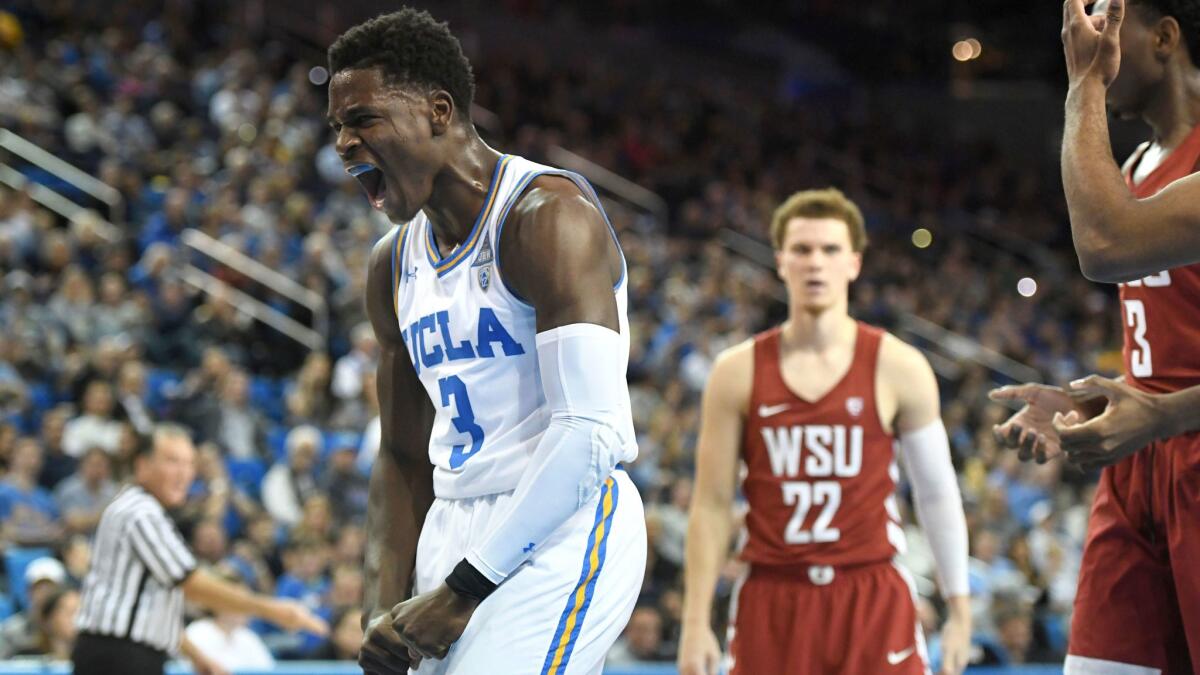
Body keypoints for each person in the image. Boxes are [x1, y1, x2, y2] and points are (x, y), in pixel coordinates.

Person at [327, 8, 646, 674]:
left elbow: (590, 429)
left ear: (439, 111)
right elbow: (402, 454)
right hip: (451, 523)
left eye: (363, 120)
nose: (343, 144)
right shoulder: (391, 264)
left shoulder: (546, 216)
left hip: (564, 520)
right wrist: (381, 608)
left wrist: (466, 587)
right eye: (336, 127)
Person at [677, 189, 971, 675]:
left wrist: (959, 607)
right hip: (772, 594)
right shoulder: (736, 372)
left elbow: (937, 494)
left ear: (854, 263)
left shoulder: (900, 366)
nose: (816, 262)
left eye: (830, 250)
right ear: (780, 261)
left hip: (870, 592)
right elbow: (710, 504)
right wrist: (693, 621)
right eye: (802, 249)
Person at [991, 1, 1200, 671]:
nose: (1079, 33)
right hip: (1142, 465)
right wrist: (1090, 404)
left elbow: (1105, 243)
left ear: (1165, 37)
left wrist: (1085, 82)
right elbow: (1163, 348)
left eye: (1106, 16)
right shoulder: (1136, 165)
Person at [72, 424, 328, 675]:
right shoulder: (139, 512)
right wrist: (272, 609)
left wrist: (196, 656)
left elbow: (152, 607)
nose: (184, 473)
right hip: (116, 657)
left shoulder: (137, 508)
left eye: (189, 463)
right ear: (142, 465)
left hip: (125, 653)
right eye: (172, 461)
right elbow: (190, 583)